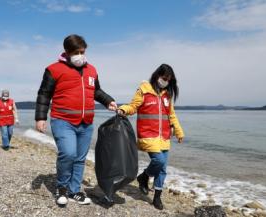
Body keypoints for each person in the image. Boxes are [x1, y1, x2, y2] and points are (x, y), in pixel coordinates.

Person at [35, 34, 117, 207]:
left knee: (80, 158)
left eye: (83, 51)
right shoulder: (53, 69)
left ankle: (74, 191)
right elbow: (44, 94)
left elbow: (96, 91)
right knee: (68, 154)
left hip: (86, 122)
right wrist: (41, 117)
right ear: (67, 52)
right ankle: (62, 189)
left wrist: (109, 100)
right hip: (62, 120)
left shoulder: (92, 70)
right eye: (77, 52)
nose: (81, 55)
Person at [117, 64, 184, 210]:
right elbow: (133, 106)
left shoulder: (167, 95)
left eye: (169, 79)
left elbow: (171, 115)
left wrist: (179, 131)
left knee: (163, 168)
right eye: (164, 78)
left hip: (164, 136)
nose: (166, 81)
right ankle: (144, 176)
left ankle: (157, 198)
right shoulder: (144, 90)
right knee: (158, 161)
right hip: (148, 134)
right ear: (157, 75)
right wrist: (123, 109)